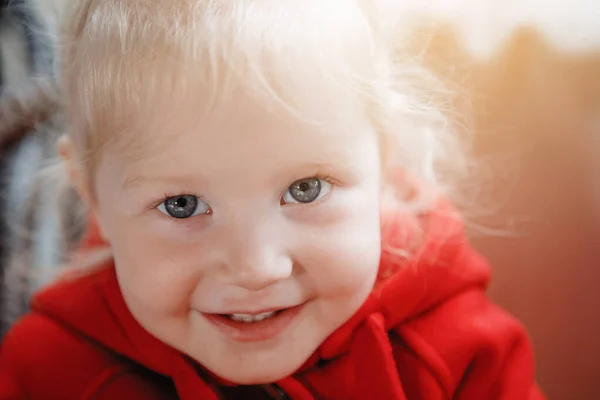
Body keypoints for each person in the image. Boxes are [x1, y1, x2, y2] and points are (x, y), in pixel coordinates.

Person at [0, 1, 545, 399]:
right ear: (91, 193)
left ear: (384, 163)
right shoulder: (47, 372)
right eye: (183, 205)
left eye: (305, 190)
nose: (257, 267)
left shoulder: (461, 349)